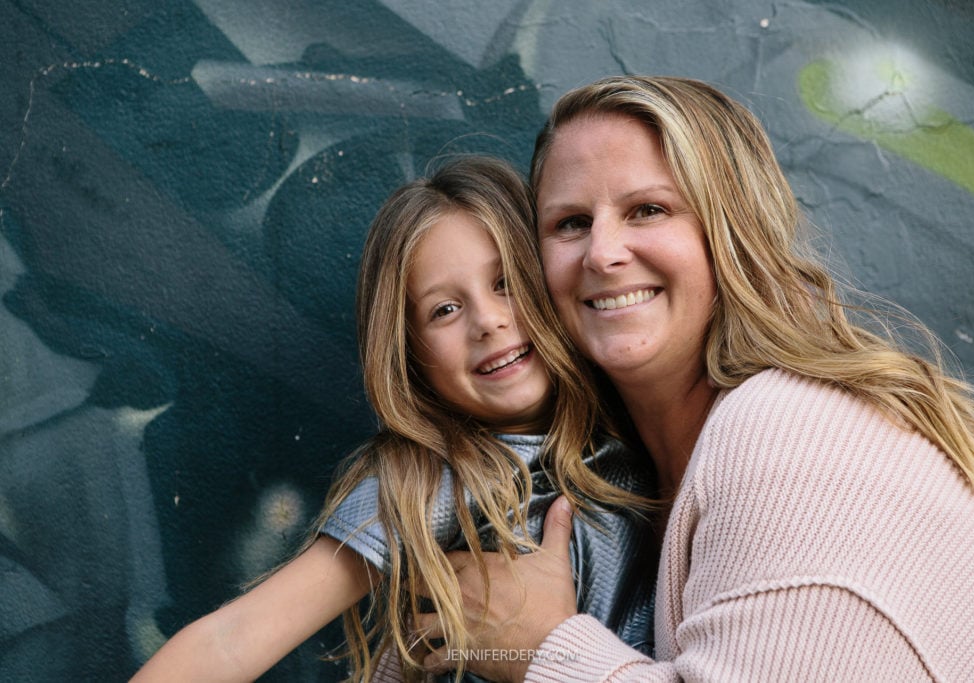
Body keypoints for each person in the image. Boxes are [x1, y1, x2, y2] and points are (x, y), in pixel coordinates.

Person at [424, 76, 974, 682]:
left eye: (648, 210)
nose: (602, 253)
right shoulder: (615, 474)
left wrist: (541, 648)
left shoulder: (793, 433)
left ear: (731, 230)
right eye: (572, 223)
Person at [130, 155, 657, 682]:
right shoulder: (432, 480)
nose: (488, 321)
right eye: (444, 310)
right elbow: (230, 640)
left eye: (506, 283)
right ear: (412, 358)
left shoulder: (651, 426)